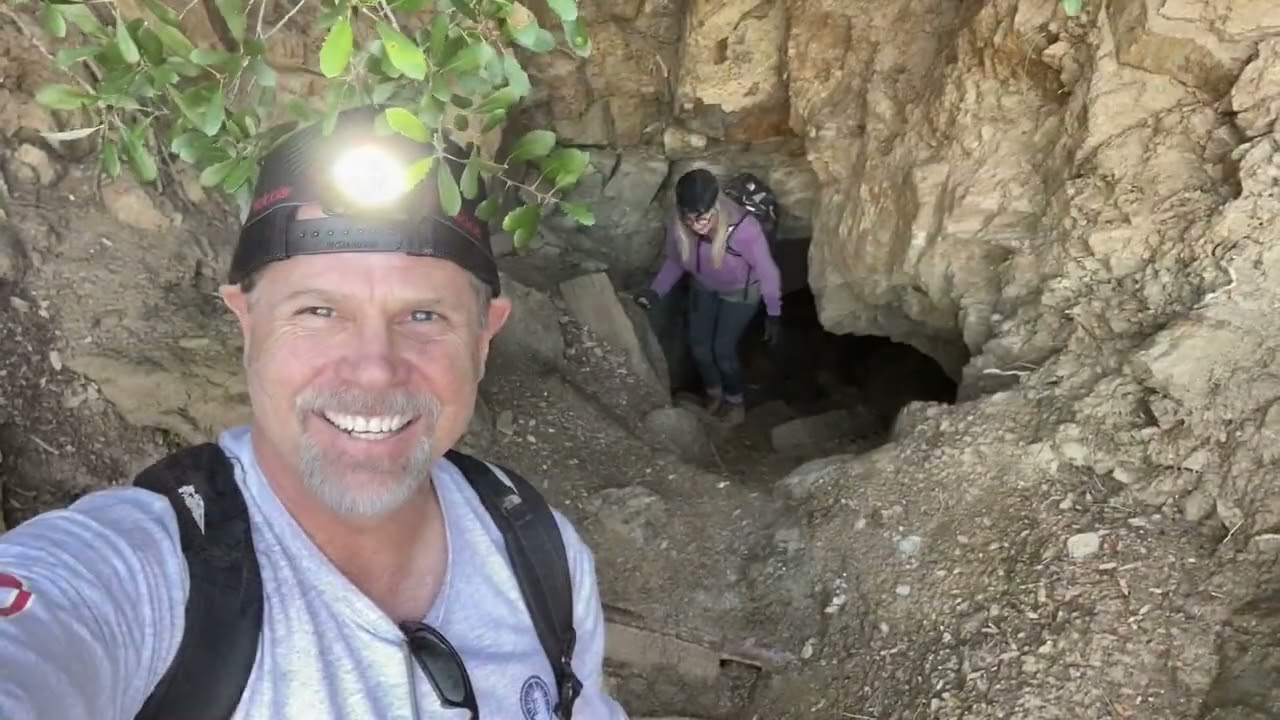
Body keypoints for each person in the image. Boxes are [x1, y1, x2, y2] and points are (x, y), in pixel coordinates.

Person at [0, 106, 628, 720]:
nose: (374, 368)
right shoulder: (136, 574)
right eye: (319, 312)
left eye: (424, 315)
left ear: (484, 340)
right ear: (247, 323)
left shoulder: (542, 552)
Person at [635, 168, 783, 426]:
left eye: (701, 217)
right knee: (699, 346)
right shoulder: (678, 222)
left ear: (715, 206)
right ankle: (714, 395)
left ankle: (735, 402)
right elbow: (675, 261)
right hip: (703, 286)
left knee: (723, 351)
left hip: (740, 293)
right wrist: (656, 291)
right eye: (690, 218)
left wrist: (774, 313)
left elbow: (767, 271)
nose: (696, 225)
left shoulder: (744, 230)